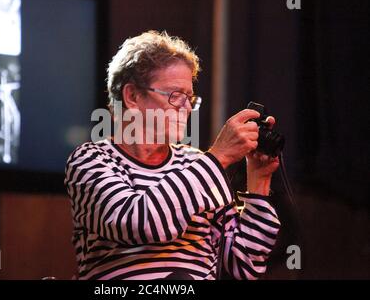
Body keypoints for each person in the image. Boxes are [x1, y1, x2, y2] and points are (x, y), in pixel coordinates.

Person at [65, 31, 280, 280]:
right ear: (132, 96)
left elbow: (243, 268)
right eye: (176, 96)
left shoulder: (196, 164)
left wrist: (259, 181)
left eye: (190, 98)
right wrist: (217, 158)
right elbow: (136, 224)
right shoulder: (91, 159)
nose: (187, 108)